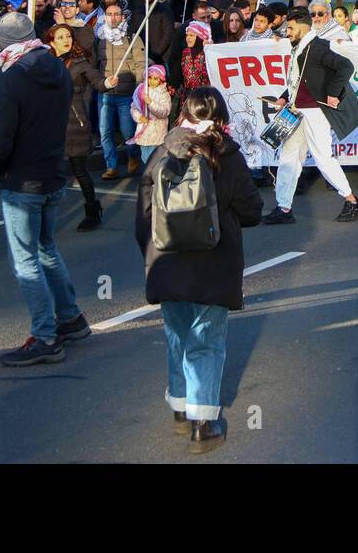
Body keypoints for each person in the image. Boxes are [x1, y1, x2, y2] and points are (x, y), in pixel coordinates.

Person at [136, 87, 263, 452]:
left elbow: (143, 214)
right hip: (213, 262)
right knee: (206, 342)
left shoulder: (162, 152)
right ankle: (202, 424)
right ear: (220, 117)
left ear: (183, 114)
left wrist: (151, 250)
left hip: (167, 260)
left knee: (177, 335)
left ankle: (180, 408)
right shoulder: (226, 153)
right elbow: (252, 209)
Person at [0, 13, 90, 367]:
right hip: (53, 171)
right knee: (46, 249)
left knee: (26, 259)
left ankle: (46, 335)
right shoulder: (56, 69)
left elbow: (0, 138)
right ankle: (70, 317)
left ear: (3, 43)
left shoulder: (9, 81)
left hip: (23, 178)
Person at [263, 8, 358, 224]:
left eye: (290, 28)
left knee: (322, 158)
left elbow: (345, 66)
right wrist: (284, 97)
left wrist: (332, 93)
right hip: (296, 110)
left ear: (303, 26)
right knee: (288, 158)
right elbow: (298, 80)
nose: (287, 32)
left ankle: (352, 200)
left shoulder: (317, 47)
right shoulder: (300, 48)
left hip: (314, 112)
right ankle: (283, 208)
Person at [46, 23, 106, 231]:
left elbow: (97, 80)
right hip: (50, 124)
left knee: (79, 171)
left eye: (68, 36)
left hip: (75, 124)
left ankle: (92, 210)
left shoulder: (80, 63)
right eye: (60, 37)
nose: (66, 40)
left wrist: (107, 83)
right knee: (48, 171)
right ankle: (44, 216)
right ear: (52, 42)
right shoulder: (45, 62)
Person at [94, 2, 145, 178]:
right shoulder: (99, 38)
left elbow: (140, 64)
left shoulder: (132, 37)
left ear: (123, 17)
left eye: (117, 14)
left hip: (126, 94)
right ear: (105, 17)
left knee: (128, 132)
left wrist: (139, 88)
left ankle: (134, 155)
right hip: (105, 94)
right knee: (105, 132)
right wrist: (100, 82)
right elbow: (95, 65)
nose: (113, 17)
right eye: (109, 14)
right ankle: (111, 166)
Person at [132, 64, 173, 163]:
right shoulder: (142, 91)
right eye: (149, 78)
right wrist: (139, 117)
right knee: (145, 159)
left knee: (155, 160)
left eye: (155, 78)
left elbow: (164, 112)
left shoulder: (164, 94)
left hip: (157, 133)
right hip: (144, 132)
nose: (152, 81)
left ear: (161, 79)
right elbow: (134, 107)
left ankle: (153, 176)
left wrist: (150, 103)